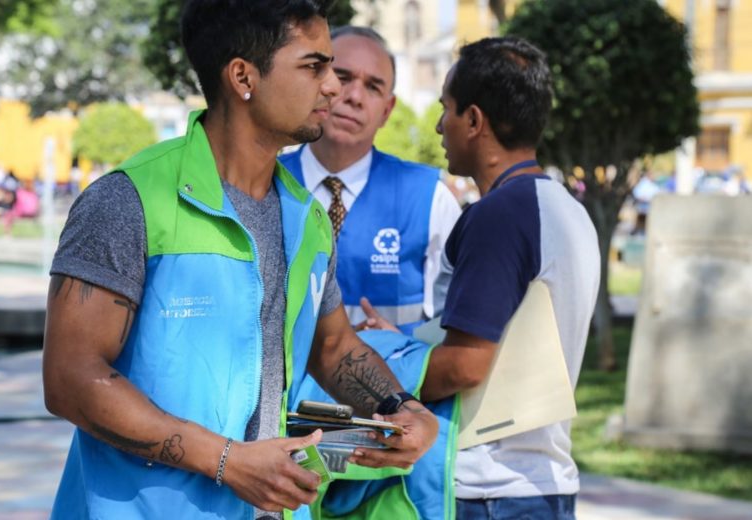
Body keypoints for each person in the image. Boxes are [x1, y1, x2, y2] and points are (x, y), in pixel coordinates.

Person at [42, 2, 438, 519]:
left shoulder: (307, 217)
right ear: (243, 76)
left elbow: (334, 344)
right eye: (313, 66)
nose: (333, 87)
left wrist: (401, 408)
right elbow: (70, 378)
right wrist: (226, 461)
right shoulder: (129, 201)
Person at [363, 37, 600, 519]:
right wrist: (410, 339)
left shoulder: (501, 215)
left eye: (445, 109)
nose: (437, 125)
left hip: (489, 490)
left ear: (474, 121)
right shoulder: (564, 209)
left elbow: (468, 366)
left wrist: (371, 367)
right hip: (539, 483)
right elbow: (507, 335)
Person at [280, 26, 461, 335]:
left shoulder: (429, 199)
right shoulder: (264, 183)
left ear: (387, 111)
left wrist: (407, 346)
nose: (354, 97)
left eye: (373, 87)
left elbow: (457, 328)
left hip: (390, 381)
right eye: (343, 77)